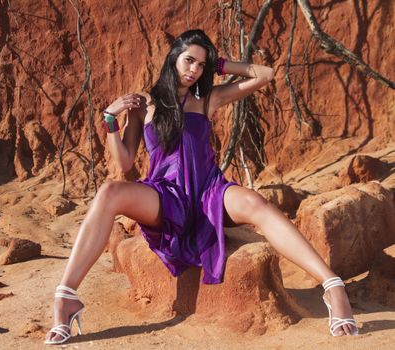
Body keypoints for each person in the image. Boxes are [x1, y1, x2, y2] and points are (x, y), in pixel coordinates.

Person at [44, 29, 358, 345]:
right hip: (166, 196)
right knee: (109, 192)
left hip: (210, 191)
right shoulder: (144, 104)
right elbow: (125, 163)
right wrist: (111, 120)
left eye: (200, 65)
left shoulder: (208, 98)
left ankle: (333, 287)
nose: (193, 70)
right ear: (173, 58)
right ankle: (66, 295)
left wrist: (218, 65)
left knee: (255, 203)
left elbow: (265, 74)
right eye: (189, 60)